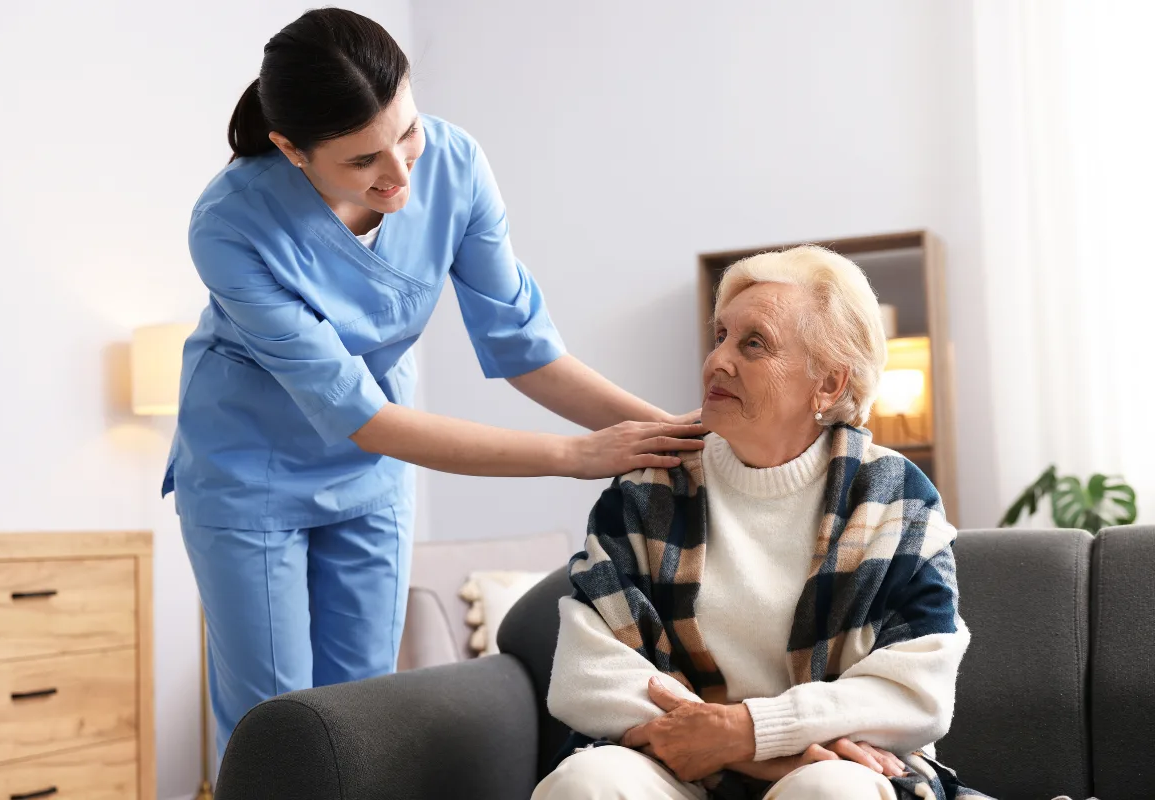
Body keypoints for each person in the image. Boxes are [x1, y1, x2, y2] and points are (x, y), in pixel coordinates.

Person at [163, 8, 703, 758]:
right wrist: (578, 455)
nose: (400, 173)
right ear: (291, 149)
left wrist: (682, 436)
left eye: (407, 133)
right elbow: (366, 417)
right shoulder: (231, 224)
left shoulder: (455, 162)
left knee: (359, 710)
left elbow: (527, 350)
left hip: (372, 476)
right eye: (362, 162)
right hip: (251, 471)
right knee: (276, 721)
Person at [535, 246, 984, 800]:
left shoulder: (895, 495)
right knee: (588, 781)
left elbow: (917, 690)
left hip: (830, 766)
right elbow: (587, 673)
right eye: (721, 335)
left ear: (829, 385)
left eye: (754, 344)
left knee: (831, 790)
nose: (718, 360)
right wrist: (719, 744)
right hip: (676, 764)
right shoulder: (648, 489)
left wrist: (751, 735)